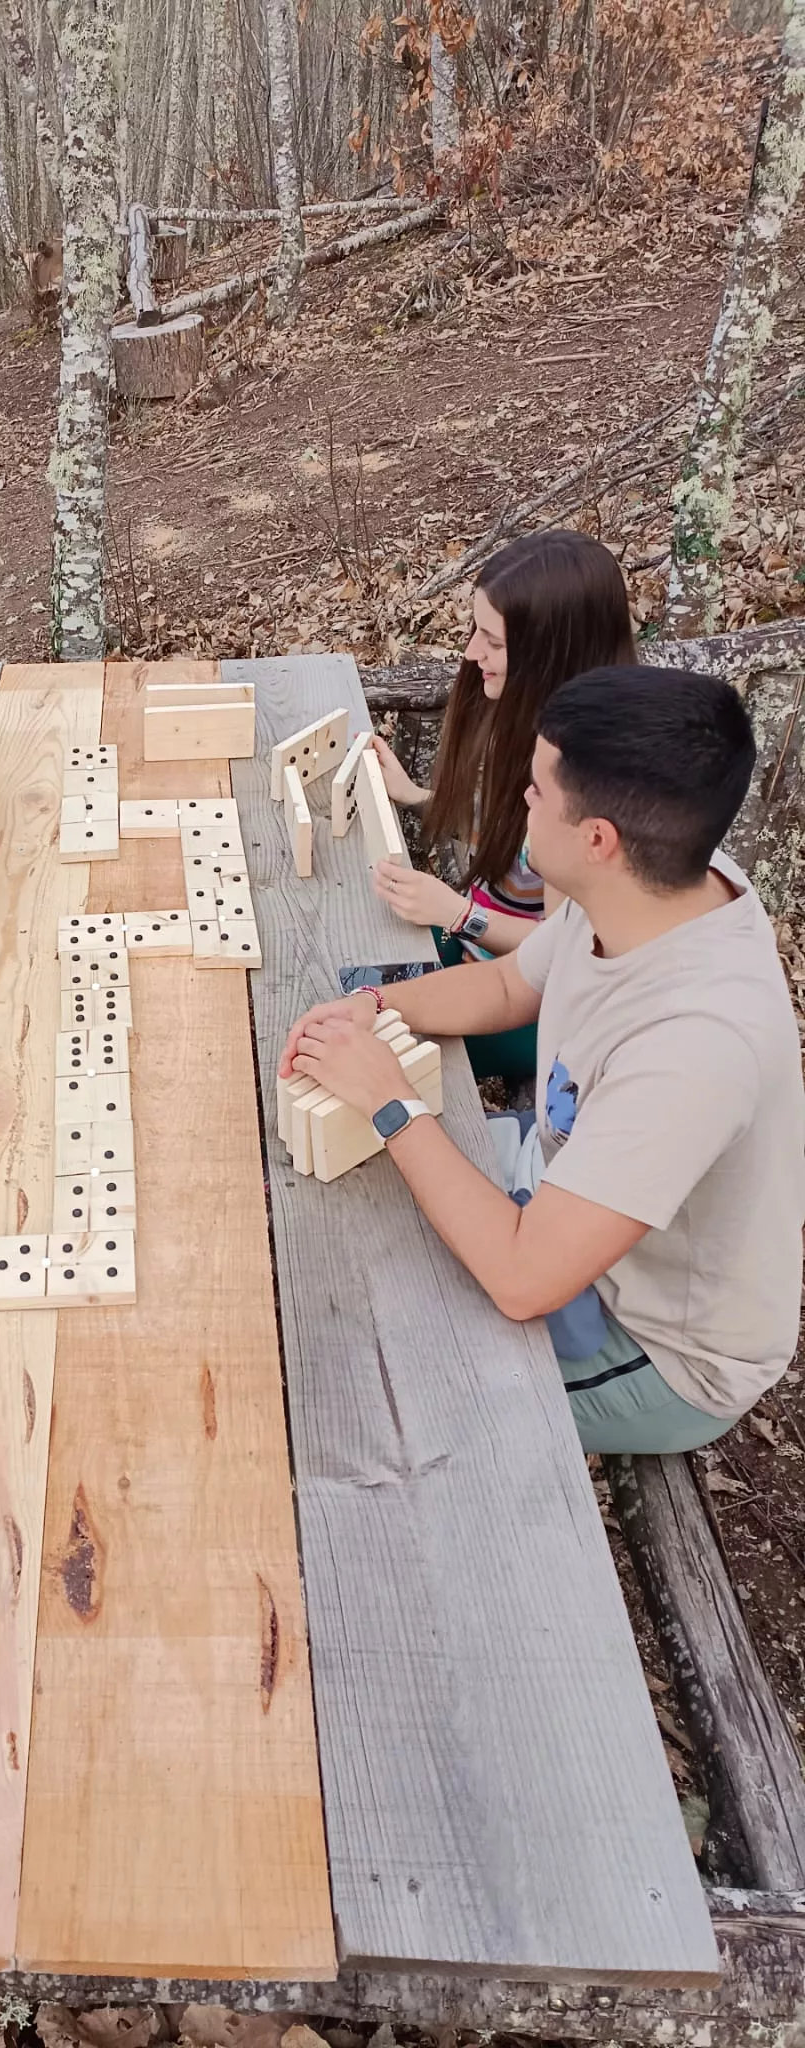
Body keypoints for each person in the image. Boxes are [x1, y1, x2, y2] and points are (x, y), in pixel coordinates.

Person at [280, 665, 805, 1456]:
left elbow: (524, 1281)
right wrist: (380, 1008)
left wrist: (391, 1101)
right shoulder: (662, 885)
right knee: (330, 1217)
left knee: (359, 1379)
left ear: (598, 839)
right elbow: (503, 987)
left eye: (535, 788)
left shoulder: (695, 1048)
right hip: (558, 1189)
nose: (520, 797)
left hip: (652, 1346)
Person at [368, 530, 635, 1081]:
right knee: (350, 967)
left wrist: (460, 916)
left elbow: (563, 952)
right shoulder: (530, 721)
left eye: (493, 640)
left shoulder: (586, 785)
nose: (471, 652)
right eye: (475, 631)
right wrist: (416, 797)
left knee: (373, 1040)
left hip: (535, 1013)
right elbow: (512, 838)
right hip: (484, 957)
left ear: (548, 653)